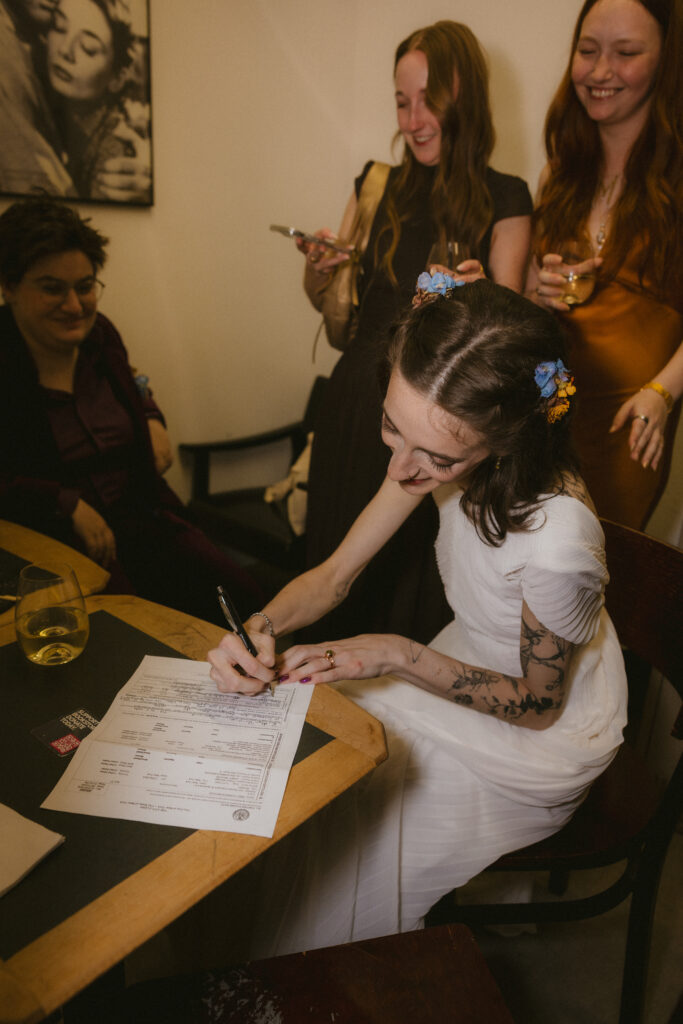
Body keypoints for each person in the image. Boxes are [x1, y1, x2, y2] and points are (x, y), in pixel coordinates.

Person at [208, 277, 627, 956]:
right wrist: (262, 624)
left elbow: (539, 704)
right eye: (389, 426)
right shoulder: (430, 441)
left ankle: (326, 973)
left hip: (539, 730)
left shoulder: (557, 546)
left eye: (435, 458)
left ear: (508, 437)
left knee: (345, 821)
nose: (400, 468)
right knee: (305, 763)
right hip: (465, 656)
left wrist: (397, 654)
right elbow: (333, 578)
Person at [298, 20, 533, 644]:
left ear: (467, 97)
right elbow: (335, 308)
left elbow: (509, 341)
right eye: (402, 102)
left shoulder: (505, 196)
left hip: (435, 425)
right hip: (355, 405)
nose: (413, 118)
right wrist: (318, 272)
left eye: (429, 99)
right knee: (336, 572)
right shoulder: (376, 183)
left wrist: (480, 294)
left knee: (409, 592)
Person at [0, 198, 261, 625]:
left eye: (85, 286)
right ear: (9, 286)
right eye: (52, 288)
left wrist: (152, 416)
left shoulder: (100, 335)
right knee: (136, 628)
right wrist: (63, 502)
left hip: (138, 515)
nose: (74, 305)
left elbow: (132, 381)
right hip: (53, 543)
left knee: (242, 599)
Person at [527, 0, 682, 530]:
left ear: (667, 60)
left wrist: (662, 392)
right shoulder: (558, 172)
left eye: (626, 53)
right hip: (547, 408)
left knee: (596, 578)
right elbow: (530, 306)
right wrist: (537, 290)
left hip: (628, 424)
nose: (599, 72)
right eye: (587, 51)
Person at [43, 0, 152, 203]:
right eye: (59, 27)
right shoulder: (45, 108)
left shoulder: (116, 152)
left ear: (118, 78)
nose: (65, 50)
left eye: (88, 48)